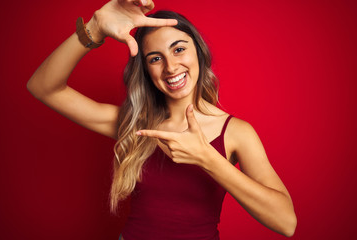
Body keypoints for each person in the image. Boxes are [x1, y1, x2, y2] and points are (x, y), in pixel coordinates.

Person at [27, 0, 297, 239]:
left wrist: (207, 157)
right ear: (146, 70)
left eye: (179, 49)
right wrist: (94, 28)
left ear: (198, 53)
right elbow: (43, 87)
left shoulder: (236, 132)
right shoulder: (135, 125)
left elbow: (286, 223)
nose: (170, 67)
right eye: (156, 58)